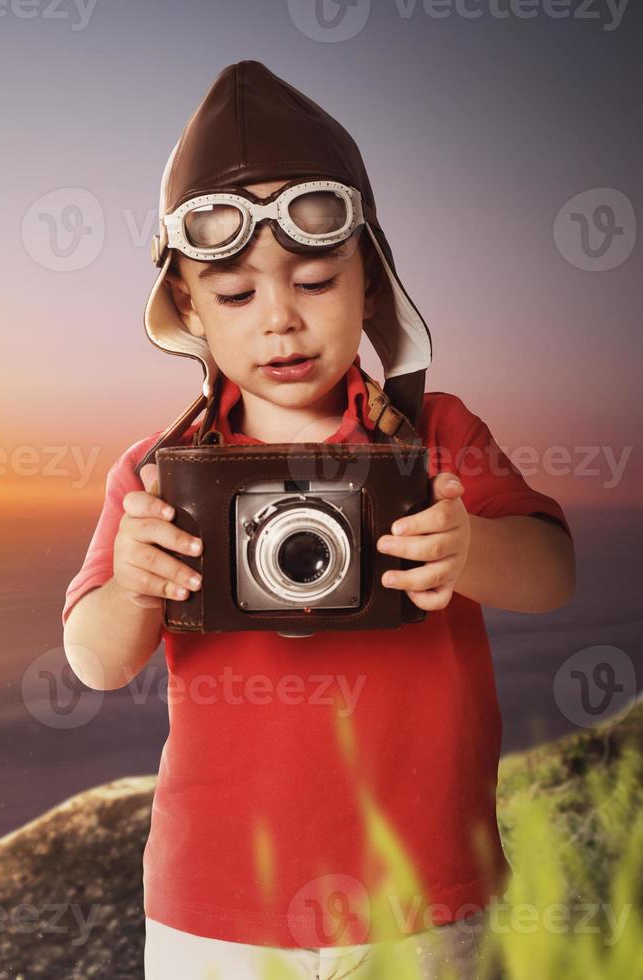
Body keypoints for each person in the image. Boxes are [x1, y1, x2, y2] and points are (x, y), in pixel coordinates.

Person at [60, 61, 576, 980]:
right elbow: (96, 662)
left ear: (370, 282)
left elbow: (552, 576)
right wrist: (135, 582)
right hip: (216, 910)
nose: (280, 323)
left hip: (425, 896)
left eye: (313, 281)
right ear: (188, 307)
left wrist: (469, 549)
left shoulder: (436, 435)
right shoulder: (159, 473)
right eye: (236, 296)